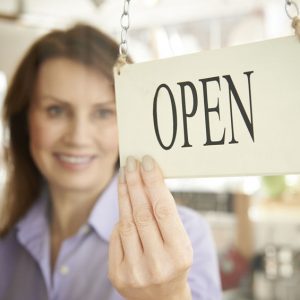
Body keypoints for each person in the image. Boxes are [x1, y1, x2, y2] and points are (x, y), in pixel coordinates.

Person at [0, 23, 221, 300]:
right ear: (24, 121)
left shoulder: (183, 238)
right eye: (55, 110)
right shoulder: (8, 239)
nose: (78, 137)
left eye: (104, 113)